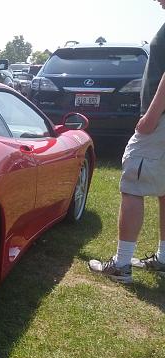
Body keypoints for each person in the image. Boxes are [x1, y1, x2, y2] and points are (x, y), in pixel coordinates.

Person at [89, 0, 165, 283]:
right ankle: (164, 257)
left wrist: (151, 116)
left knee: (132, 182)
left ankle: (121, 265)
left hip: (160, 121)